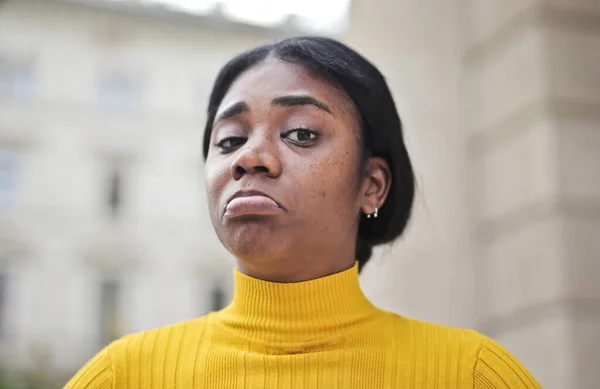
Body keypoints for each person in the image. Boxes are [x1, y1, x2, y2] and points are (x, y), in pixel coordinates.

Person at [65, 37, 541, 389]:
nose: (249, 157)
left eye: (301, 133)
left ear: (372, 184)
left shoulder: (469, 373)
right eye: (229, 139)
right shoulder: (123, 375)